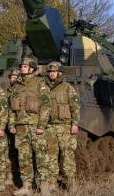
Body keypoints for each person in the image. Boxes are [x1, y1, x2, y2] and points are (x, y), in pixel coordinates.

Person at [9, 58, 52, 195]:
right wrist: (12, 123)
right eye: (21, 66)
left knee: (41, 157)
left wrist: (42, 125)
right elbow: (11, 108)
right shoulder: (16, 86)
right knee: (23, 157)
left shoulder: (40, 83)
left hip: (35, 126)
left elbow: (46, 106)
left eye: (25, 66)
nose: (22, 68)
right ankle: (27, 186)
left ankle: (44, 187)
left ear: (32, 68)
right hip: (20, 127)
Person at [45, 62, 80, 191]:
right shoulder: (44, 88)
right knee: (51, 155)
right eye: (50, 72)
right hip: (50, 127)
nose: (52, 74)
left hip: (65, 126)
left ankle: (71, 184)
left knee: (67, 155)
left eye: (54, 71)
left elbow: (75, 108)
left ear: (60, 72)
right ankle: (52, 183)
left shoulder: (67, 88)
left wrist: (75, 124)